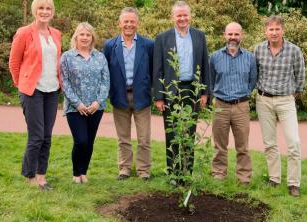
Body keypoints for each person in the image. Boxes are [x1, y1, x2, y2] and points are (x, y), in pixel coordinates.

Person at [153, 1, 210, 181]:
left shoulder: (199, 36)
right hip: (172, 90)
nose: (182, 18)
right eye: (179, 15)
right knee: (172, 132)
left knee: (190, 132)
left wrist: (204, 93)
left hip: (192, 90)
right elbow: (158, 69)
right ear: (173, 17)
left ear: (190, 16)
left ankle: (187, 172)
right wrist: (159, 96)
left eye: (185, 15)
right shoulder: (163, 38)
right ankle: (173, 173)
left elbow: (205, 65)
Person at [9, 0, 61, 190]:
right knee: (36, 136)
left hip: (52, 90)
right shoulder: (24, 32)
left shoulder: (56, 34)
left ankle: (42, 176)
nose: (45, 12)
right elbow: (14, 63)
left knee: (47, 136)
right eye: (41, 8)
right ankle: (29, 175)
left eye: (48, 8)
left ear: (52, 12)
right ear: (34, 11)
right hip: (32, 91)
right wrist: (21, 85)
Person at [254, 15, 305, 197]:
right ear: (265, 31)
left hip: (286, 101)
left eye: (277, 29)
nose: (274, 32)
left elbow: (300, 77)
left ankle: (293, 183)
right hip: (263, 100)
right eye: (270, 29)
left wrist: (292, 94)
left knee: (294, 142)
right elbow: (255, 73)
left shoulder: (294, 50)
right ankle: (274, 179)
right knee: (269, 143)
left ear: (283, 30)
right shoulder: (258, 49)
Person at [104, 7, 153, 181]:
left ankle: (143, 170)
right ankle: (124, 168)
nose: (129, 25)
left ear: (137, 24)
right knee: (123, 137)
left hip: (142, 97)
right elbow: (106, 72)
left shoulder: (148, 45)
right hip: (120, 97)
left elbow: (154, 71)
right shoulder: (110, 45)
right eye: (126, 21)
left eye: (132, 21)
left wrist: (152, 91)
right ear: (120, 23)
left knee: (144, 138)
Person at [61, 22, 110, 184]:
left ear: (92, 38)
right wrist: (78, 103)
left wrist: (98, 101)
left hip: (96, 107)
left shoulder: (100, 57)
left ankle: (84, 172)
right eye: (81, 34)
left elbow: (105, 81)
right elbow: (65, 83)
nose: (85, 37)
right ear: (76, 36)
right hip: (75, 108)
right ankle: (76, 173)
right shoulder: (67, 57)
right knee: (80, 140)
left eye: (88, 35)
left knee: (89, 141)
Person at [209, 22, 257, 186]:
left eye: (236, 34)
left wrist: (242, 95)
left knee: (242, 146)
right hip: (220, 105)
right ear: (224, 35)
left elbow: (253, 81)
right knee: (219, 145)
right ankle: (218, 174)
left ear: (241, 36)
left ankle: (243, 178)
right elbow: (210, 80)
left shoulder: (250, 58)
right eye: (230, 34)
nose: (233, 38)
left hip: (241, 106)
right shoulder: (214, 57)